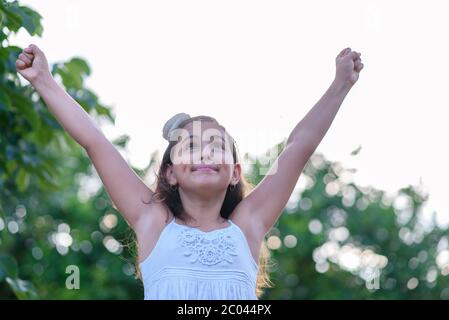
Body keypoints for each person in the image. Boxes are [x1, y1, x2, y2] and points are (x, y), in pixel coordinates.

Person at [16, 44, 363, 299]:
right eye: (192, 146)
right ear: (170, 174)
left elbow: (297, 148)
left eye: (216, 144)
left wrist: (340, 85)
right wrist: (44, 80)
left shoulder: (248, 225)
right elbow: (95, 142)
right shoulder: (153, 220)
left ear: (234, 173)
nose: (206, 150)